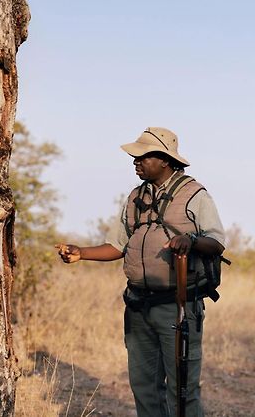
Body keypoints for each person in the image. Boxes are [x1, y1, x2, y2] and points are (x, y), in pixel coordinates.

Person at [56, 127, 226, 417]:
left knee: (182, 389)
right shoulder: (135, 197)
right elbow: (117, 245)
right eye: (135, 157)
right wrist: (81, 253)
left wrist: (192, 240)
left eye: (142, 156)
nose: (135, 162)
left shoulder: (194, 194)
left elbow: (217, 242)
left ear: (164, 160)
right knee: (144, 386)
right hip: (137, 305)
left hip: (178, 306)